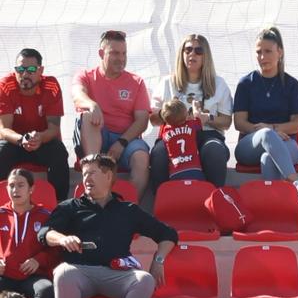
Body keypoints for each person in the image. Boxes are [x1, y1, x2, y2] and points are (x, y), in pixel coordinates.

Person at [40, 152, 178, 298]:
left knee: (145, 280)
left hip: (118, 274)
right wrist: (62, 239)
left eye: (92, 173)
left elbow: (168, 234)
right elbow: (45, 233)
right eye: (84, 174)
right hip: (80, 271)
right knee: (62, 273)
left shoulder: (128, 210)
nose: (86, 179)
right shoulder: (69, 207)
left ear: (108, 175)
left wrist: (158, 260)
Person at [70, 29, 151, 198]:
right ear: (101, 53)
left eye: (124, 53)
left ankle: (128, 209)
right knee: (88, 115)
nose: (121, 58)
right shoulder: (85, 75)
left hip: (126, 139)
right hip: (97, 134)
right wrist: (92, 105)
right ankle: (94, 175)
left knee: (142, 158)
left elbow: (142, 121)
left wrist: (121, 142)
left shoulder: (136, 82)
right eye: (114, 53)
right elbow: (77, 95)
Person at [233, 26, 298, 200]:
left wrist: (272, 130)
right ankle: (297, 184)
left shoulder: (291, 84)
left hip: (287, 142)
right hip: (249, 145)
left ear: (280, 52)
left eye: (268, 51)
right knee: (266, 134)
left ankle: (275, 212)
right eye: (259, 52)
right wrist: (264, 132)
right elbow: (239, 122)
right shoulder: (246, 83)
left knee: (269, 159)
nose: (262, 57)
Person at [148, 33, 231, 188]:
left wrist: (208, 118)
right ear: (182, 54)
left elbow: (226, 122)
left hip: (207, 134)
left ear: (206, 56)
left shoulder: (218, 83)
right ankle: (160, 203)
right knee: (159, 153)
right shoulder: (168, 82)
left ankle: (216, 199)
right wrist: (167, 114)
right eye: (188, 50)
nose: (192, 54)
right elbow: (153, 119)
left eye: (198, 51)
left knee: (214, 150)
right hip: (174, 134)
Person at [0, 47, 72, 199]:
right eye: (20, 69)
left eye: (31, 69)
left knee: (59, 152)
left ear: (41, 70)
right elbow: (4, 129)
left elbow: (54, 128)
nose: (25, 74)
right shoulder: (6, 85)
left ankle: (60, 204)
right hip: (16, 142)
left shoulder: (51, 85)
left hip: (43, 141)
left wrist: (39, 138)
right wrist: (21, 140)